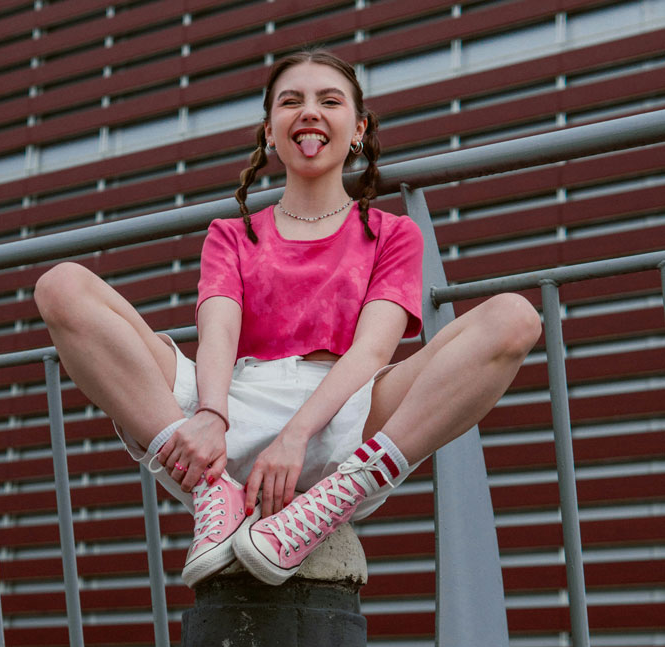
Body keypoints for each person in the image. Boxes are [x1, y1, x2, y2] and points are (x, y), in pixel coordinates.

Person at [34, 48, 542, 588]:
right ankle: (216, 496)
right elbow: (219, 333)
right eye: (290, 101)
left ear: (359, 128)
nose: (309, 112)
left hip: (344, 415)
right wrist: (211, 414)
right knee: (61, 286)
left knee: (514, 317)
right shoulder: (231, 234)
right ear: (270, 133)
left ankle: (337, 498)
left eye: (329, 100)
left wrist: (297, 435)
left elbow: (372, 353)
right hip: (227, 404)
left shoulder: (392, 234)